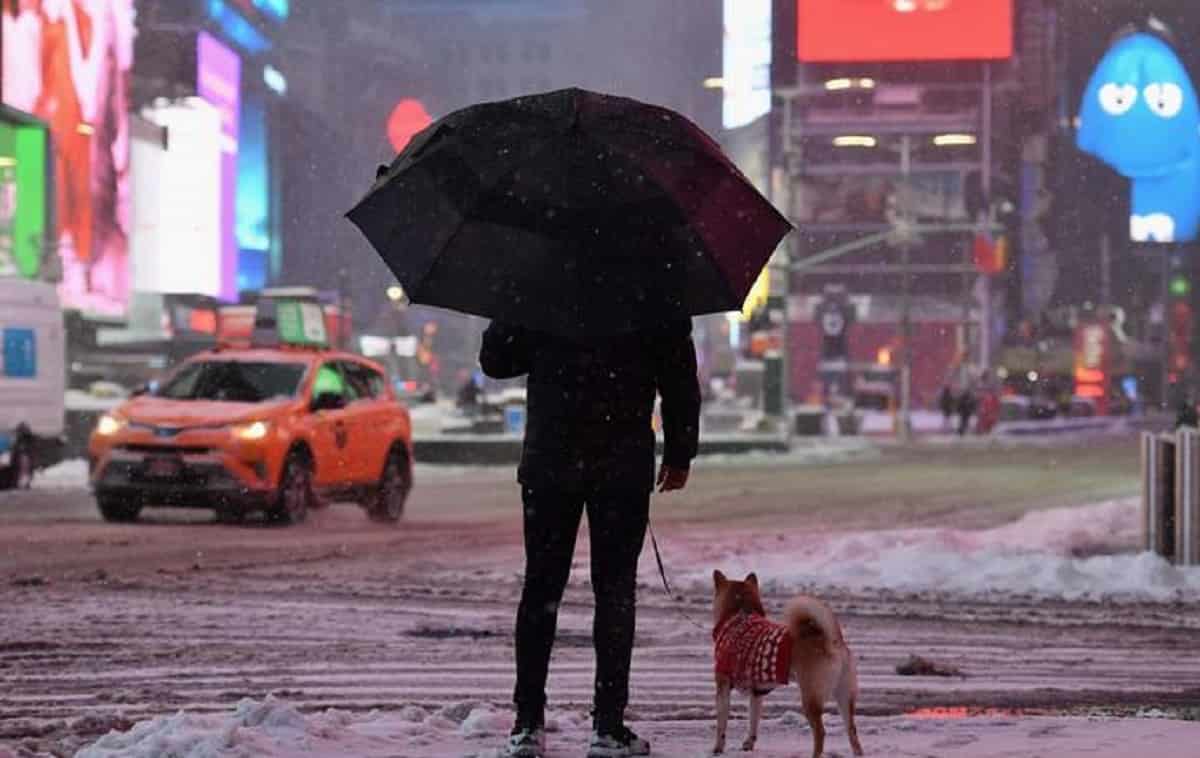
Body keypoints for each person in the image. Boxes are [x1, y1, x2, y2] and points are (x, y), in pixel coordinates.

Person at [480, 319, 701, 758]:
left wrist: (511, 306)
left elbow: (496, 361)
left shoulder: (540, 278)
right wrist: (679, 452)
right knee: (615, 593)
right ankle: (608, 724)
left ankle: (527, 724)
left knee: (541, 589)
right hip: (621, 465)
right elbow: (678, 376)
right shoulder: (653, 278)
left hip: (550, 463)